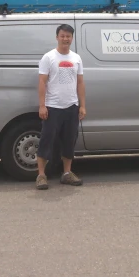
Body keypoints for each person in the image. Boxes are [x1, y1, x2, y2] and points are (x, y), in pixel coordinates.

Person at [35, 23, 86, 190]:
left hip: (71, 106)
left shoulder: (76, 58)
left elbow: (80, 83)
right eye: (62, 35)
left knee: (69, 141)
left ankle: (67, 173)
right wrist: (42, 106)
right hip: (53, 107)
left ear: (72, 38)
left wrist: (82, 105)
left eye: (68, 36)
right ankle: (41, 175)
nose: (65, 39)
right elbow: (42, 82)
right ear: (57, 37)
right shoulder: (49, 57)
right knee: (47, 140)